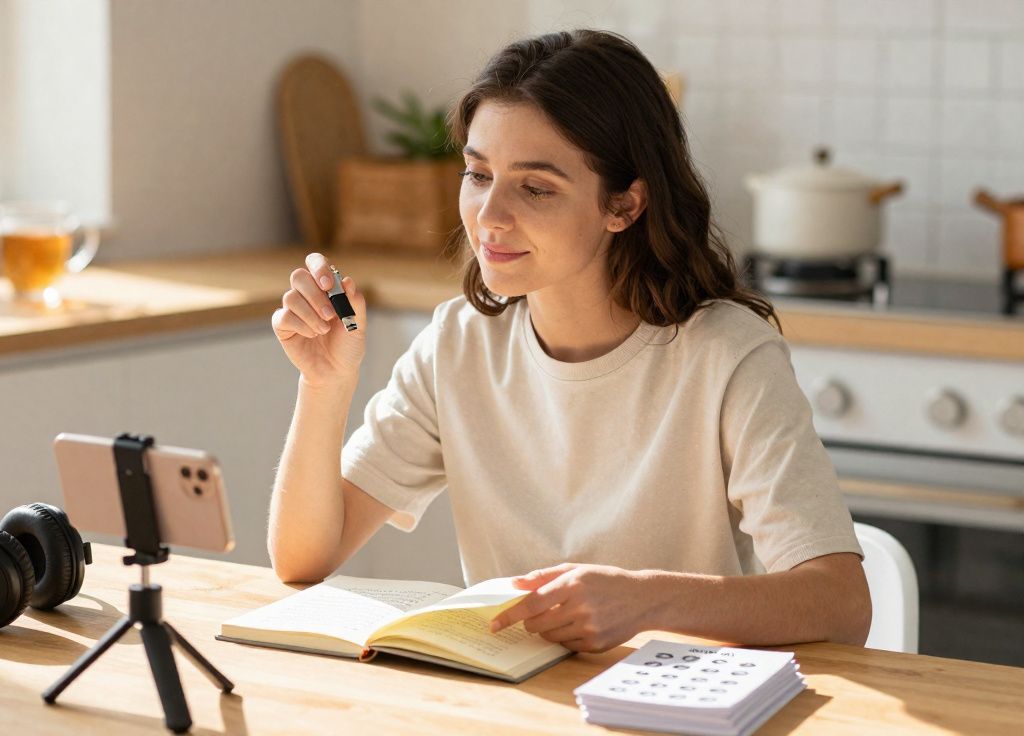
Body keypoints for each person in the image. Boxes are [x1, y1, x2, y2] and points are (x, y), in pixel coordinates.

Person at [266, 30, 871, 653]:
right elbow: (303, 559)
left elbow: (841, 602)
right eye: (478, 174)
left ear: (624, 205)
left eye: (536, 188)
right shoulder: (458, 345)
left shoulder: (727, 356)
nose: (489, 216)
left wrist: (644, 600)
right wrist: (324, 385)